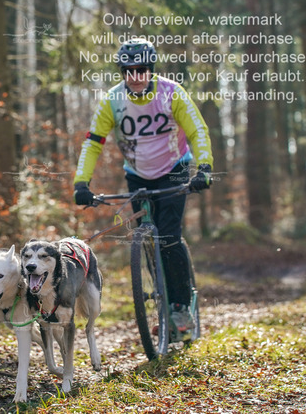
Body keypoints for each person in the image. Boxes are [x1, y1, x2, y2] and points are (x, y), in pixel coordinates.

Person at [73, 38, 214, 335]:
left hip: (174, 170)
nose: (135, 76)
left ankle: (180, 306)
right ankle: (161, 297)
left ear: (151, 69)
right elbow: (94, 142)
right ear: (122, 72)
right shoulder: (113, 100)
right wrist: (81, 182)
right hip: (137, 175)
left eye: (141, 70)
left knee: (169, 237)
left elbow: (197, 130)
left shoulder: (171, 93)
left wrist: (204, 168)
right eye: (129, 71)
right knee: (149, 241)